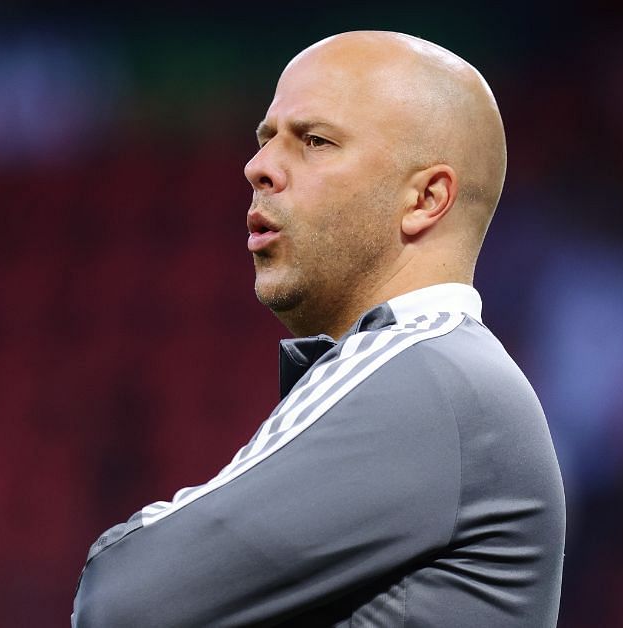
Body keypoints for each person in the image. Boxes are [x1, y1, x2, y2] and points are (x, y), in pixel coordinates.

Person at [72, 31, 565, 627]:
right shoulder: (444, 378)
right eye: (264, 140)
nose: (257, 167)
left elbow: (124, 600)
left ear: (427, 198)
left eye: (315, 141)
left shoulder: (423, 377)